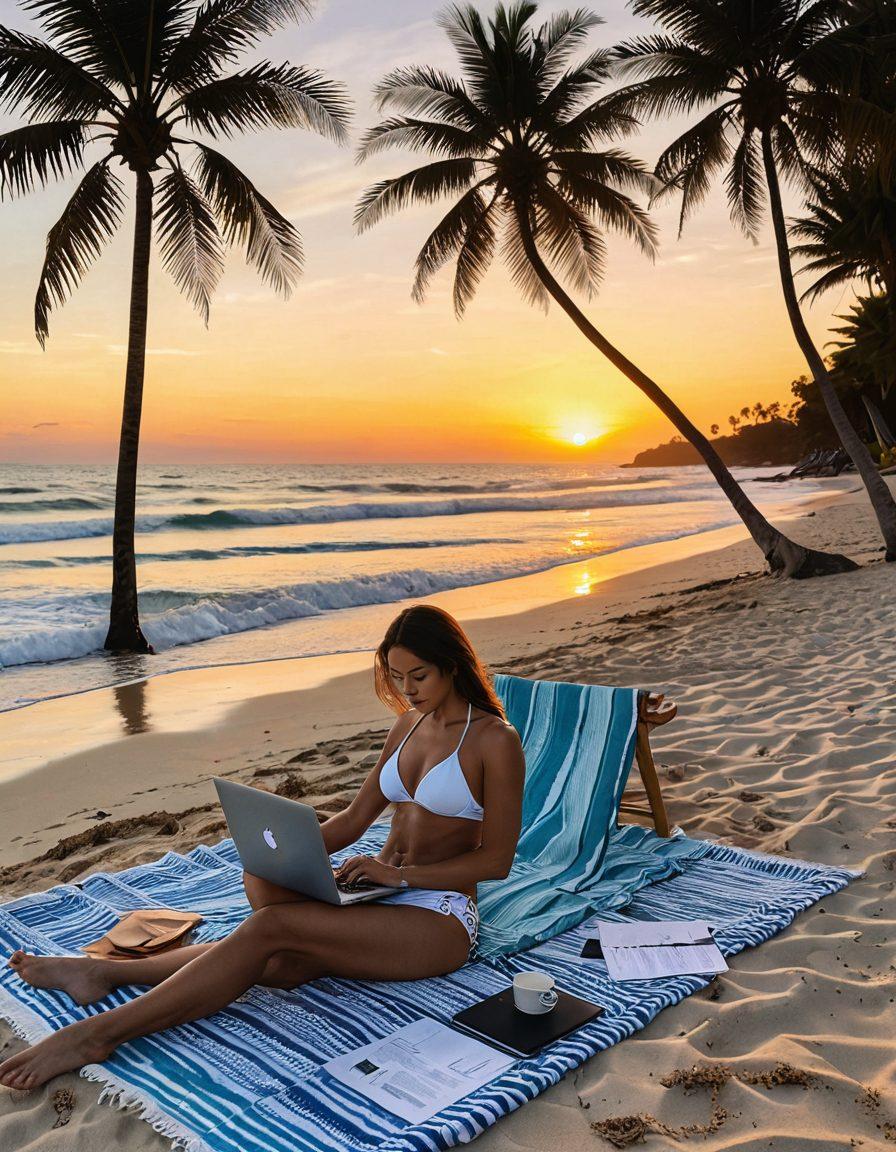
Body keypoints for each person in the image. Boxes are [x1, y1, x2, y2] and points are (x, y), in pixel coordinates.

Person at [0, 604, 525, 1090]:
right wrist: (288, 850)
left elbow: (497, 861)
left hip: (440, 915)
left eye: (419, 676)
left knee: (272, 931)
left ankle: (97, 1034)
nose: (406, 689)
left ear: (452, 666)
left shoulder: (494, 740)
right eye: (395, 675)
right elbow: (352, 820)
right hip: (376, 894)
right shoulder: (407, 726)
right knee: (264, 894)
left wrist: (398, 877)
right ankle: (105, 972)